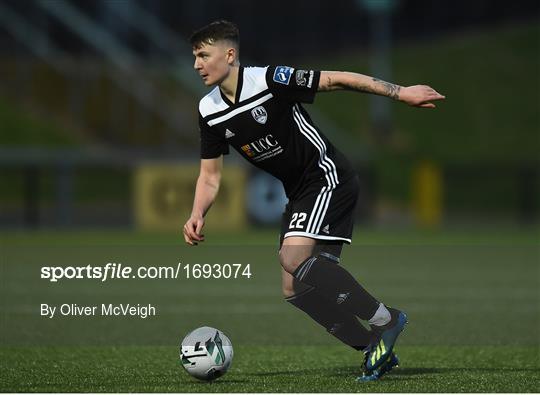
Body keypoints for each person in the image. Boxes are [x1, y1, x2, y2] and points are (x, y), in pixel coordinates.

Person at [183, 20, 445, 381]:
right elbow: (210, 176)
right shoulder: (208, 110)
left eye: (203, 55)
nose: (196, 64)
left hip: (327, 176)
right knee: (294, 289)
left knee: (292, 259)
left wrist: (399, 93)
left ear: (229, 55)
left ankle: (387, 320)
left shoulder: (270, 80)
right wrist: (197, 212)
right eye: (194, 56)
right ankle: (373, 348)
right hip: (300, 190)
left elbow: (336, 79)